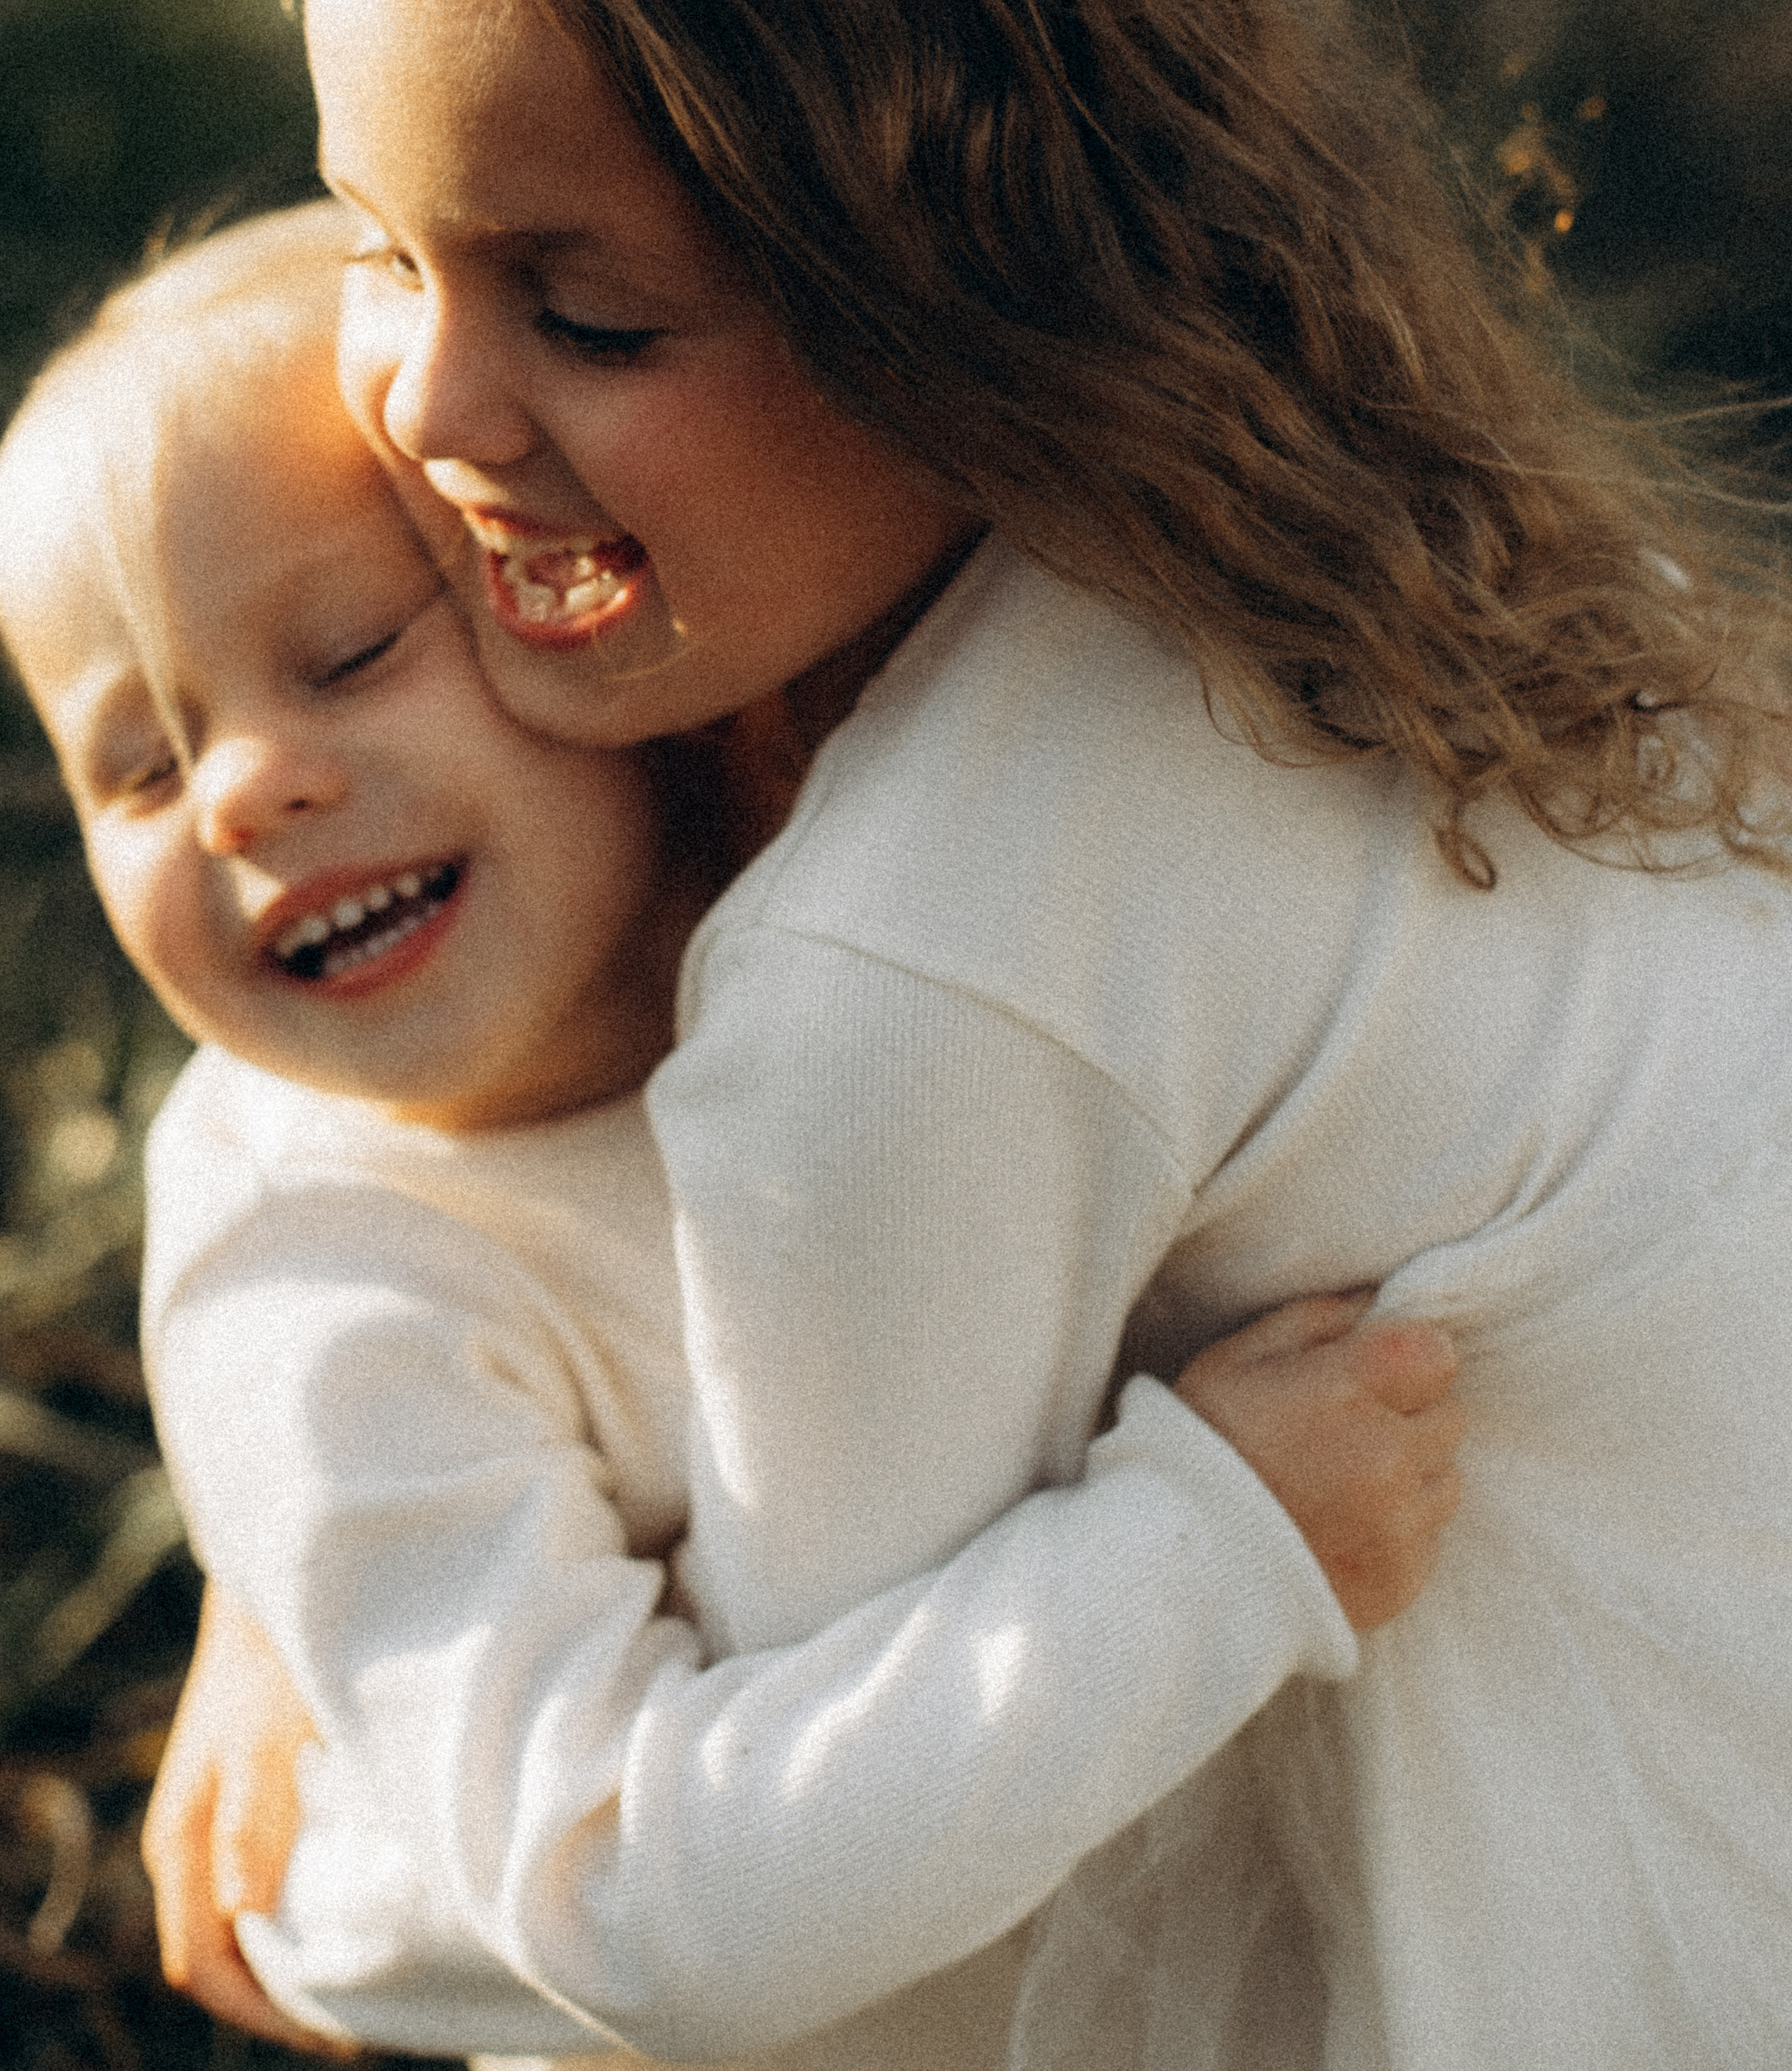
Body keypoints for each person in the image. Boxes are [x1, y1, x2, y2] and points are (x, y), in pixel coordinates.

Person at [154, 0, 1792, 2068]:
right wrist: (294, 1541)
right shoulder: (1330, 521)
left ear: (953, 274)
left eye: (581, 308)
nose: (431, 411)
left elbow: (806, 1913)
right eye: (379, 242)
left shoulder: (915, 969)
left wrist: (339, 1851)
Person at [0, 206, 1462, 2066]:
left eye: (353, 648)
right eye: (132, 764)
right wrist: (1214, 1552)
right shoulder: (324, 1287)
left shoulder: (865, 903)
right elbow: (618, 1892)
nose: (238, 790)